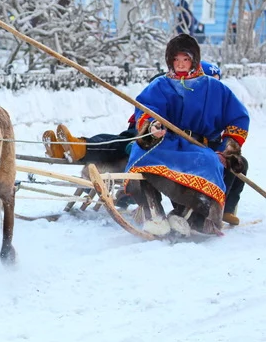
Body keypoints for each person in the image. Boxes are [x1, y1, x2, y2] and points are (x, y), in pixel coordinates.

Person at [43, 59, 248, 225]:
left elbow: (230, 129)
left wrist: (224, 152)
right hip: (155, 137)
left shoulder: (217, 100)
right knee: (123, 141)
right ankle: (72, 147)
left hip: (195, 147)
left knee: (238, 163)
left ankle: (223, 208)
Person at [127, 34, 249, 232]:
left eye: (185, 59)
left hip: (199, 144)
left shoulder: (214, 87)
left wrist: (229, 149)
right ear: (169, 60)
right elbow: (146, 110)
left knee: (209, 163)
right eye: (176, 59)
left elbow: (238, 119)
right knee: (139, 154)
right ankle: (153, 211)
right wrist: (152, 128)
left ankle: (193, 214)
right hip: (168, 141)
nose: (180, 64)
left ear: (194, 60)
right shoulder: (159, 85)